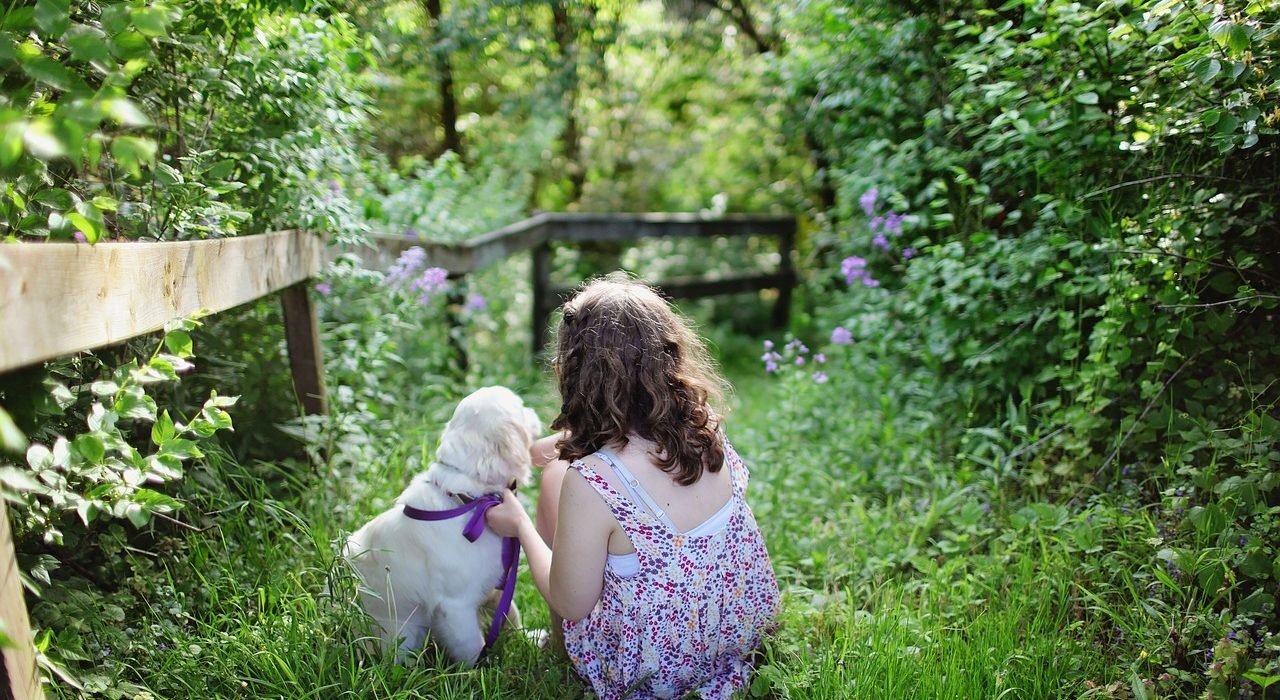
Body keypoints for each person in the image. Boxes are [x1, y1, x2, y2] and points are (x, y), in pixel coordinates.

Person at [484, 276, 780, 700]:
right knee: (556, 470)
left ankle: (560, 646)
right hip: (738, 633)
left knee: (553, 478)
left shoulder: (589, 483)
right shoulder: (704, 425)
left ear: (572, 373)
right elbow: (620, 446)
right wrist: (531, 450)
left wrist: (521, 527)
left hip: (655, 671)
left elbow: (573, 604)